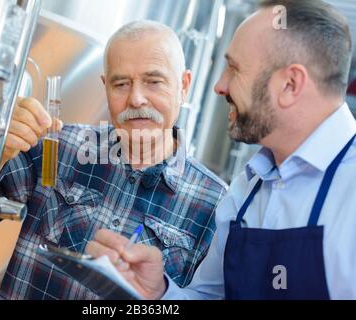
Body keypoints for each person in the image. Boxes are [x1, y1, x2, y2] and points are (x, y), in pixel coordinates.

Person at [0, 20, 227, 299]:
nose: (136, 99)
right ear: (105, 85)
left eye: (153, 81)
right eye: (121, 84)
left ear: (184, 85)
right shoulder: (59, 147)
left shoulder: (215, 204)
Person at [86, 0, 356, 300]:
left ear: (290, 85)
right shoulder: (247, 188)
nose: (219, 86)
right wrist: (159, 293)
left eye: (234, 69)